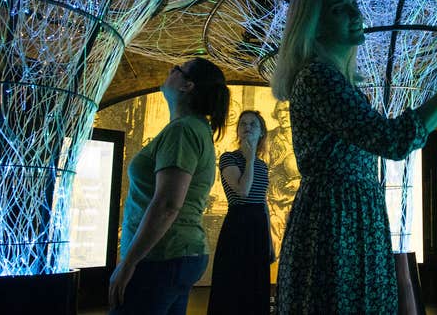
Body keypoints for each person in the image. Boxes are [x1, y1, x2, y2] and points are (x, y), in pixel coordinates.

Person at [270, 0, 437, 313]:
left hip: (351, 215)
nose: (354, 13)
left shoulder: (335, 80)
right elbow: (392, 140)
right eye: (339, 9)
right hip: (336, 220)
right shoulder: (317, 77)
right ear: (314, 25)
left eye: (353, 5)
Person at [109, 58, 230, 315]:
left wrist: (129, 262)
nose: (169, 70)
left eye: (177, 69)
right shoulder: (195, 129)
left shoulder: (183, 131)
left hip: (161, 256)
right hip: (175, 254)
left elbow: (167, 205)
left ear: (188, 86)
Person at [207, 110, 272, 314]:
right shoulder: (229, 158)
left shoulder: (263, 166)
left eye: (253, 124)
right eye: (243, 123)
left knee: (256, 284)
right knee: (233, 284)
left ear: (261, 132)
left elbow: (263, 203)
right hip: (238, 224)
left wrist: (270, 242)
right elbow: (242, 191)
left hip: (258, 226)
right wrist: (250, 159)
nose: (247, 127)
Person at [264, 100, 300, 257]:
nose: (284, 115)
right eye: (280, 111)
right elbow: (264, 166)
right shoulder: (270, 137)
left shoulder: (304, 135)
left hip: (300, 197)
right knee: (276, 240)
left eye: (287, 110)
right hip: (275, 197)